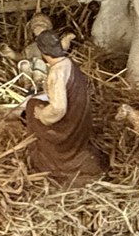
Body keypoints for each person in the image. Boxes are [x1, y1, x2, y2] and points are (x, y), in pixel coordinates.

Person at [24, 30, 105, 187]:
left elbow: (58, 109)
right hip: (81, 116)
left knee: (31, 106)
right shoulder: (68, 63)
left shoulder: (57, 72)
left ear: (43, 51)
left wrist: (41, 114)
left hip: (68, 124)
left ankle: (52, 156)